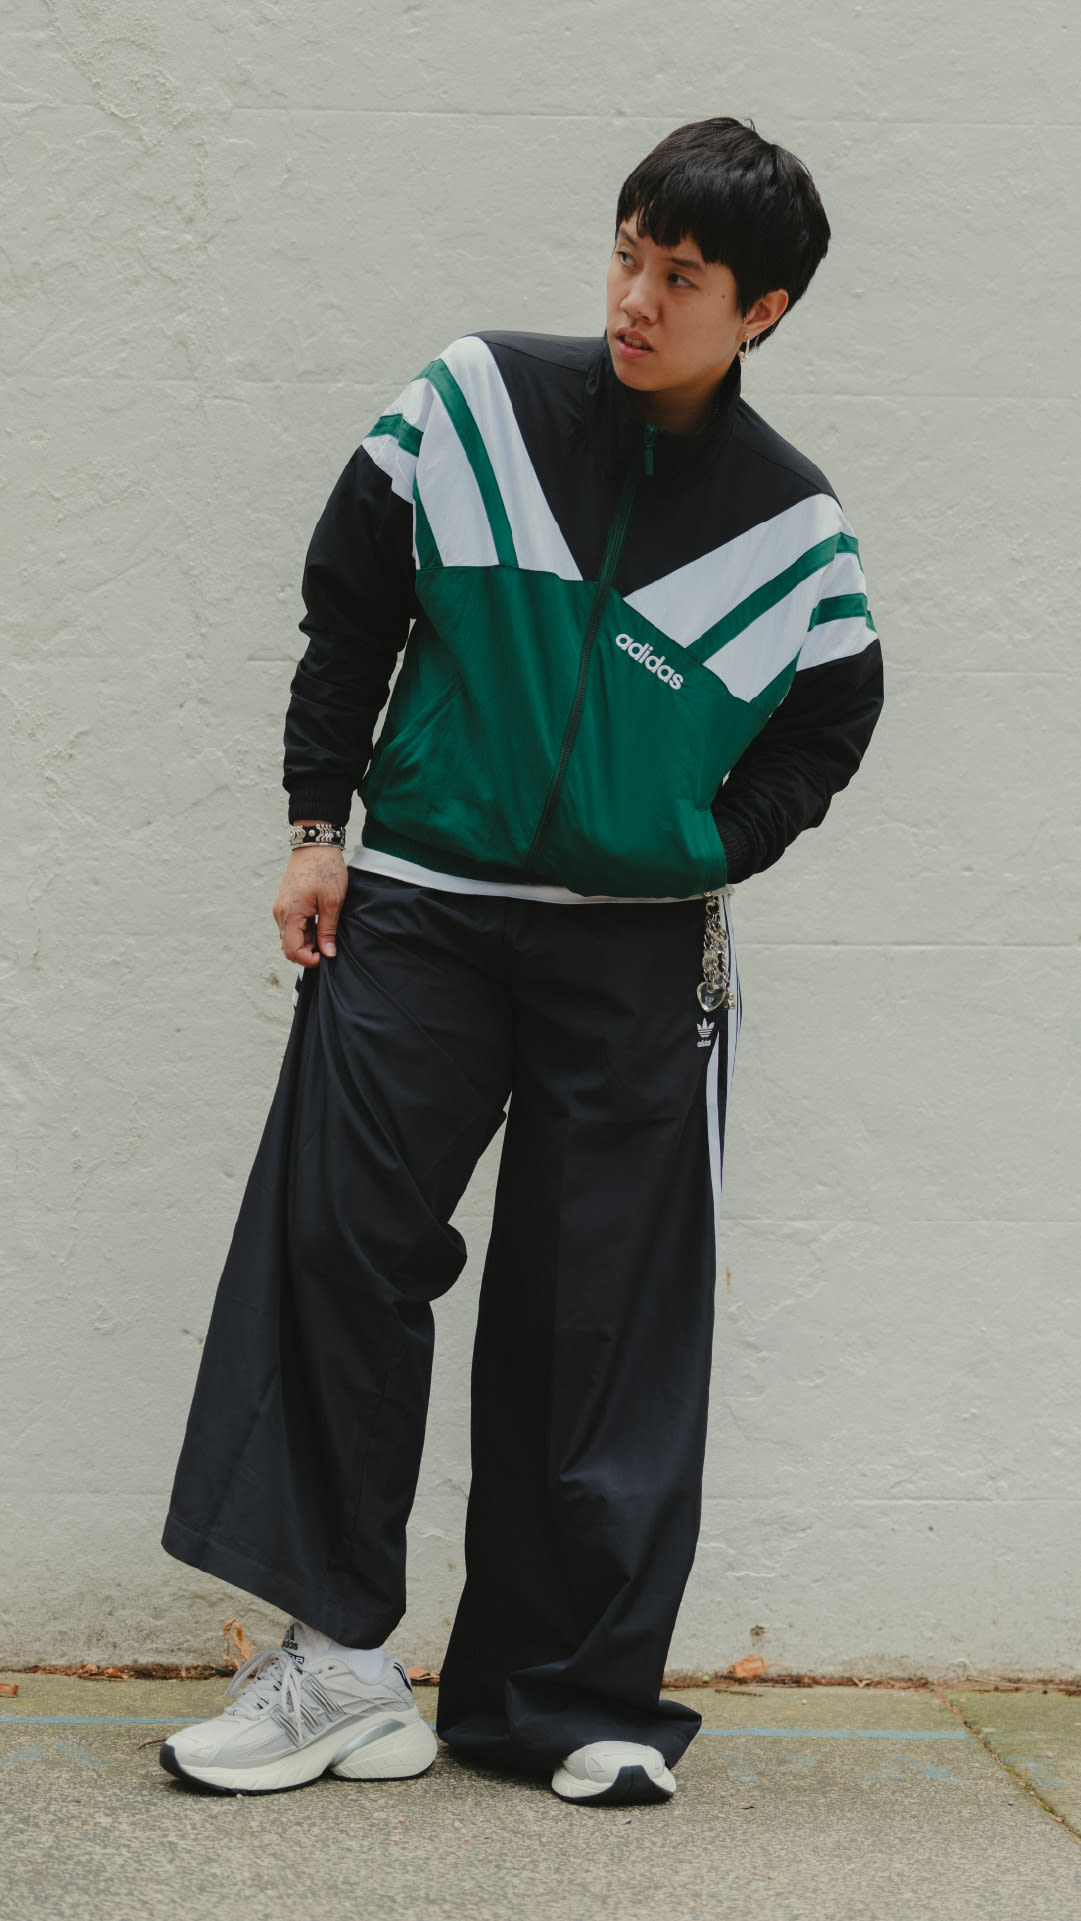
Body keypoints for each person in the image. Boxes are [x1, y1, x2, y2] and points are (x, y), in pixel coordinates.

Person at [160, 116, 883, 1806]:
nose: (634, 297)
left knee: (594, 1322)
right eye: (626, 254)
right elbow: (349, 601)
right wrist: (312, 822)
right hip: (412, 899)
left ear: (757, 311)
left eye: (679, 279)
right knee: (340, 1246)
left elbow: (834, 716)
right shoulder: (470, 402)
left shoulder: (792, 529)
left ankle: (560, 1703)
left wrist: (709, 842)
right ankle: (337, 1664)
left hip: (627, 963)